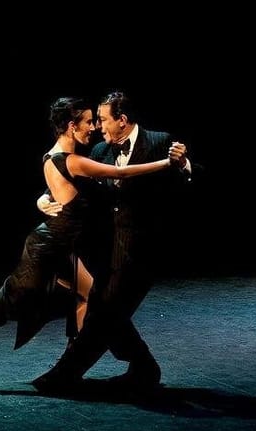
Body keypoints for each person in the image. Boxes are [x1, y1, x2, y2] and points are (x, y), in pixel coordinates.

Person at [0, 96, 181, 391]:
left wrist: (43, 198)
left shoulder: (55, 156)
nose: (94, 127)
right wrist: (165, 163)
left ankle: (73, 369)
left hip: (66, 250)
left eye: (97, 120)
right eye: (88, 121)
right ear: (71, 126)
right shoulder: (73, 160)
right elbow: (119, 173)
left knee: (96, 300)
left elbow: (63, 185)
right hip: (47, 251)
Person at [32, 89, 193, 392]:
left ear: (122, 119)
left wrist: (183, 164)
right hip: (108, 249)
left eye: (103, 119)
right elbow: (70, 181)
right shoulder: (99, 151)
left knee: (104, 310)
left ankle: (65, 373)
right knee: (108, 311)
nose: (98, 126)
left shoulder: (159, 142)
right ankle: (144, 367)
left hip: (145, 249)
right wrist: (43, 199)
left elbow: (189, 181)